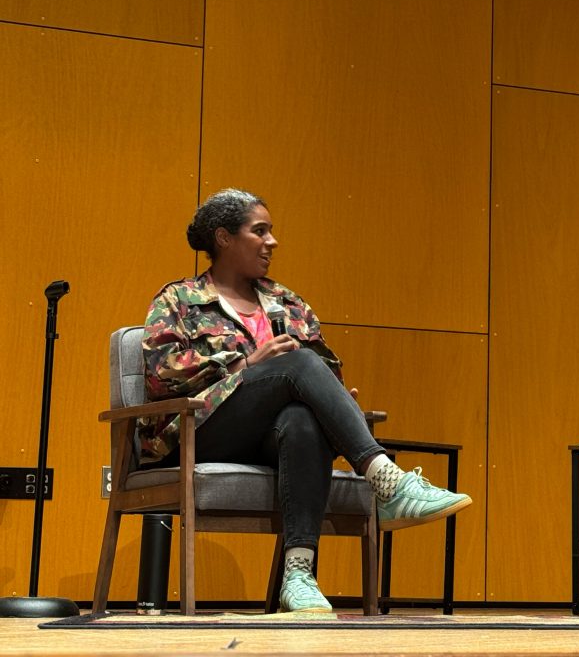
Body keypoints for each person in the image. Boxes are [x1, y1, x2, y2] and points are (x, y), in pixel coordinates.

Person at [140, 188, 472, 613]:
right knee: (296, 366)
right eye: (259, 231)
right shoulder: (178, 299)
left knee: (302, 418)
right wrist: (244, 364)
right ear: (224, 238)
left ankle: (298, 575)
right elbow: (162, 372)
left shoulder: (287, 302)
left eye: (271, 232)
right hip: (199, 429)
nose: (272, 242)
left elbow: (325, 368)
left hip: (271, 435)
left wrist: (332, 398)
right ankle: (387, 481)